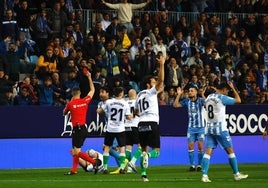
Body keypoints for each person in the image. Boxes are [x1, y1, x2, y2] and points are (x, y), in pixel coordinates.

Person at [201, 81, 248, 182]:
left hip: (209, 128)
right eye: (227, 90)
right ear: (224, 89)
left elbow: (206, 105)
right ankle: (236, 174)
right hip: (220, 128)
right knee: (230, 151)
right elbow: (238, 100)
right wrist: (234, 88)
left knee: (208, 151)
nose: (227, 92)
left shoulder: (209, 97)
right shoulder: (222, 98)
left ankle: (204, 176)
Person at [134, 54, 165, 182]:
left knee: (143, 149)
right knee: (156, 151)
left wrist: (141, 114)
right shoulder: (151, 91)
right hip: (152, 123)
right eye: (153, 82)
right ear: (148, 85)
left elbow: (136, 112)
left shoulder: (139, 95)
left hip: (141, 124)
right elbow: (161, 81)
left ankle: (143, 175)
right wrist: (162, 64)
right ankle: (148, 155)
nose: (155, 84)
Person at [63, 70, 100, 175]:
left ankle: (94, 162)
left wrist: (70, 102)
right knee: (75, 150)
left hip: (77, 130)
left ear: (72, 94)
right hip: (83, 128)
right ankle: (74, 170)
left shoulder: (70, 104)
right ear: (80, 93)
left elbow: (64, 113)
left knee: (77, 152)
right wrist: (89, 77)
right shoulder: (85, 101)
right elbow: (92, 90)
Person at [97, 87, 132, 174]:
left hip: (110, 128)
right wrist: (133, 114)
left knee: (107, 147)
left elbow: (100, 111)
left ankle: (105, 168)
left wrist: (99, 108)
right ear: (121, 94)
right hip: (120, 129)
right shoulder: (125, 103)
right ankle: (122, 168)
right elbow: (128, 117)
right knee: (122, 148)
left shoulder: (109, 102)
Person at [173, 85, 206, 172]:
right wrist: (179, 94)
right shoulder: (187, 101)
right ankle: (192, 165)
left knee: (200, 146)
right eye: (189, 91)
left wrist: (202, 95)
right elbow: (175, 105)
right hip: (191, 128)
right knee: (190, 146)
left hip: (200, 127)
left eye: (192, 91)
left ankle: (199, 165)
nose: (190, 92)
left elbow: (208, 104)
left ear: (196, 92)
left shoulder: (201, 100)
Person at [125, 89, 141, 173]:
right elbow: (139, 113)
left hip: (126, 127)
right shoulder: (137, 102)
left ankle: (129, 169)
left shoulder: (125, 103)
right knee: (141, 146)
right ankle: (132, 162)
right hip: (135, 126)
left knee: (128, 148)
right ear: (136, 94)